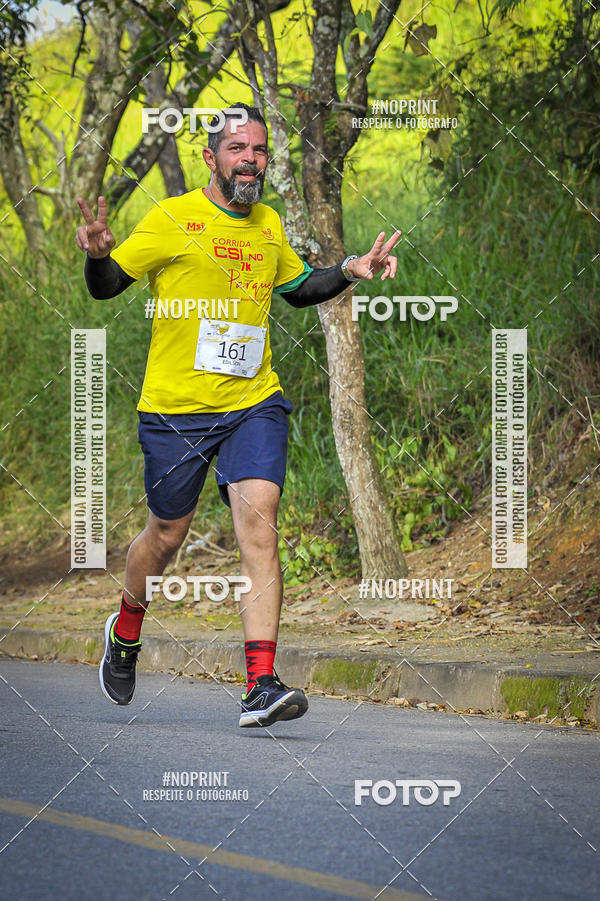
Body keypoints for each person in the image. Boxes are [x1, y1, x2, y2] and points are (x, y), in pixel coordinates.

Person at [76, 101, 400, 727]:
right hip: (175, 411)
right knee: (166, 537)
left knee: (260, 523)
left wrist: (349, 271)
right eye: (237, 149)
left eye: (258, 150)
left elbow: (298, 288)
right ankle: (127, 624)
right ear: (211, 157)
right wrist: (96, 253)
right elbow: (108, 285)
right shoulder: (173, 218)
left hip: (253, 402)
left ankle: (260, 683)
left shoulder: (268, 224)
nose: (250, 160)